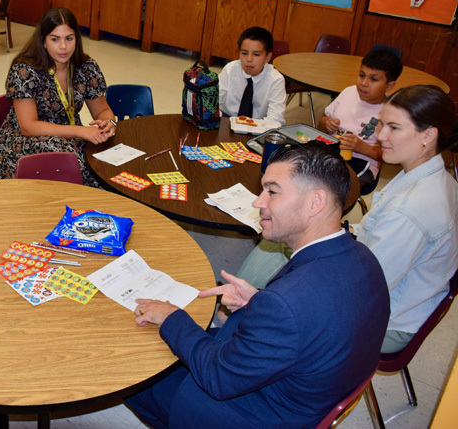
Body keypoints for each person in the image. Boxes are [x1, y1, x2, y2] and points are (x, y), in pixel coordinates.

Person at [125, 143, 389, 428]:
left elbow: (218, 378)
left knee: (133, 366)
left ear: (316, 202)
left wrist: (172, 317)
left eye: (272, 191)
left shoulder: (287, 304)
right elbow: (315, 315)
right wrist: (259, 301)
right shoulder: (364, 258)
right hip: (307, 389)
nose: (257, 202)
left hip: (251, 413)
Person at [237, 85, 458, 354]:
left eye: (394, 128)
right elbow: (373, 234)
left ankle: (243, 315)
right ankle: (244, 305)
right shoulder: (433, 174)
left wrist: (314, 244)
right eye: (381, 125)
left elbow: (365, 287)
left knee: (285, 239)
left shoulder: (410, 210)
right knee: (292, 233)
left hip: (387, 317)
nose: (380, 136)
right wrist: (338, 232)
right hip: (394, 288)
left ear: (428, 134)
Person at [0, 7, 117, 187]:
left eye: (69, 39)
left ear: (76, 39)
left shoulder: (86, 67)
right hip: (24, 140)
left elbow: (102, 110)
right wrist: (80, 131)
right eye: (55, 39)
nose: (63, 47)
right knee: (72, 165)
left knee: (103, 164)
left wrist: (108, 123)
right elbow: (29, 127)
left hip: (69, 136)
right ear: (43, 41)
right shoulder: (24, 70)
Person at [318, 48, 402, 190]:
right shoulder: (348, 92)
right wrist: (327, 124)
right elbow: (322, 122)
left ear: (389, 86)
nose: (364, 83)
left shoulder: (390, 112)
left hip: (362, 164)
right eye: (362, 75)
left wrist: (362, 148)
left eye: (373, 79)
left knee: (330, 187)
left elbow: (392, 156)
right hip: (331, 152)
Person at [218, 26, 286, 125]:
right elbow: (213, 102)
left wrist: (252, 128)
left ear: (267, 57)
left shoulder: (276, 80)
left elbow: (276, 119)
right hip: (227, 119)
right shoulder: (230, 70)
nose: (249, 59)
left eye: (256, 54)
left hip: (258, 125)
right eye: (244, 53)